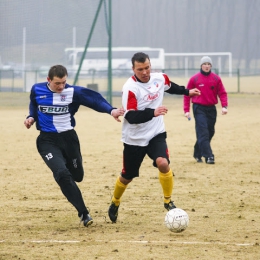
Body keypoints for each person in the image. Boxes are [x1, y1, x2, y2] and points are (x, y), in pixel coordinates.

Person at [24, 65, 124, 227]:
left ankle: (69, 181)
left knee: (77, 176)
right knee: (62, 174)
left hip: (69, 139)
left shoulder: (72, 92)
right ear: (48, 80)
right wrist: (31, 117)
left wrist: (111, 110)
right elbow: (34, 105)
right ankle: (84, 213)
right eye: (57, 83)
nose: (61, 86)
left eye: (64, 82)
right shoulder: (37, 90)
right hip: (47, 141)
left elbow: (94, 100)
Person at [107, 52, 201, 223]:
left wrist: (188, 92)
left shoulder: (159, 78)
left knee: (163, 163)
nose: (145, 72)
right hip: (134, 139)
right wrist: (153, 112)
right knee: (127, 176)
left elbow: (170, 86)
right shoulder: (130, 88)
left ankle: (168, 200)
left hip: (155, 133)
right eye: (140, 69)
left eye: (147, 67)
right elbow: (131, 117)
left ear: (151, 65)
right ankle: (115, 201)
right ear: (133, 69)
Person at [183, 56, 228, 164]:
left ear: (211, 66)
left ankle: (197, 152)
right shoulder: (194, 79)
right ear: (201, 66)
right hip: (199, 108)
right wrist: (186, 110)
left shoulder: (216, 79)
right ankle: (209, 156)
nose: (207, 66)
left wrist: (224, 106)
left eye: (208, 64)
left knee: (210, 132)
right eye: (205, 64)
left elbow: (222, 93)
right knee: (203, 132)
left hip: (211, 108)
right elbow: (187, 94)